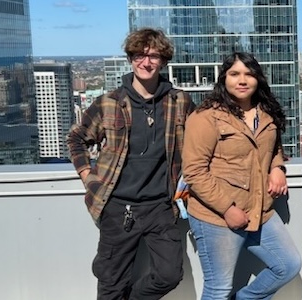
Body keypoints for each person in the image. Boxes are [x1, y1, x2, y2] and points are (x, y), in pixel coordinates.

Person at [67, 28, 194, 299]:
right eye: (139, 55)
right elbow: (76, 138)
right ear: (130, 58)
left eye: (153, 56)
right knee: (111, 282)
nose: (146, 62)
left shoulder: (179, 101)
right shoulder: (109, 103)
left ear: (163, 61)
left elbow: (203, 139)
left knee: (169, 274)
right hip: (117, 207)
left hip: (161, 206)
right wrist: (88, 176)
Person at [182, 52, 301, 300]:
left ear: (258, 79)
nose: (242, 80)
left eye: (249, 74)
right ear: (224, 78)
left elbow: (272, 148)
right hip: (216, 216)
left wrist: (277, 167)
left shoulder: (266, 113)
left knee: (288, 265)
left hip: (260, 209)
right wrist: (227, 209)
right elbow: (194, 171)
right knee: (218, 289)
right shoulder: (206, 116)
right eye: (235, 74)